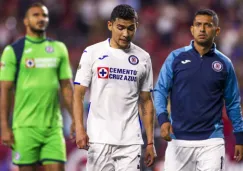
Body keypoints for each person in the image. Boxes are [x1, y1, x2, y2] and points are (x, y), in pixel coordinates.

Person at [154, 9, 243, 171]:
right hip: (178, 140)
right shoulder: (175, 58)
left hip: (212, 142)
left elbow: (233, 104)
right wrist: (163, 118)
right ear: (192, 29)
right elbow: (160, 90)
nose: (202, 29)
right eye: (198, 25)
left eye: (207, 25)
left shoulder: (224, 64)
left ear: (217, 30)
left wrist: (239, 137)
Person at [73, 4, 156, 171]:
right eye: (120, 27)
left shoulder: (143, 58)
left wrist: (150, 142)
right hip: (99, 139)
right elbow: (78, 94)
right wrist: (80, 129)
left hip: (131, 141)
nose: (125, 33)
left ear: (136, 27)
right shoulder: (92, 53)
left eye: (130, 28)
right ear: (110, 25)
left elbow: (146, 101)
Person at [0, 2, 74, 171]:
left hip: (53, 128)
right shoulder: (13, 51)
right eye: (36, 15)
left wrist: (76, 119)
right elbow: (5, 91)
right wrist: (4, 126)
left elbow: (66, 88)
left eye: (44, 15)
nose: (41, 19)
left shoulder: (58, 49)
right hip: (25, 128)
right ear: (26, 21)